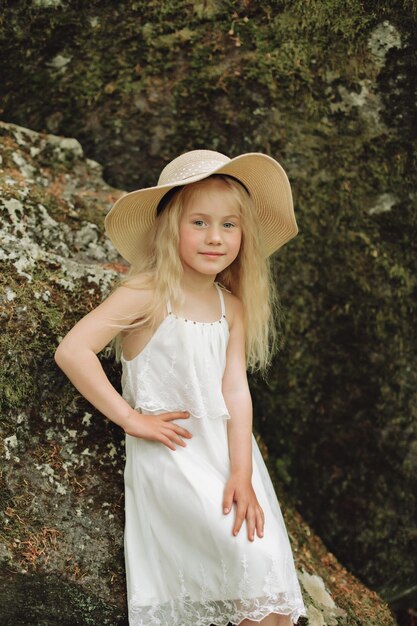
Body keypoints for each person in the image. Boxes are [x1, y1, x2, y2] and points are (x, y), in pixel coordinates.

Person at [54, 149, 307, 626]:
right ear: (171, 227)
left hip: (229, 460)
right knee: (245, 562)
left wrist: (243, 473)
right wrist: (131, 418)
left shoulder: (230, 305)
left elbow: (235, 390)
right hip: (173, 457)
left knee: (270, 585)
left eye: (229, 225)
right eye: (200, 223)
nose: (215, 237)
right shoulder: (147, 292)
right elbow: (73, 351)